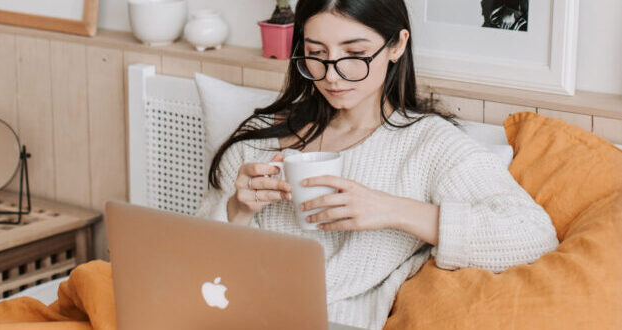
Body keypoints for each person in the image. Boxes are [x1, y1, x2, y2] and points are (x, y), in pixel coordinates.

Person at [195, 0, 558, 328]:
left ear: (397, 45)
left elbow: (532, 234)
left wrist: (390, 210)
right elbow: (193, 263)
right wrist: (236, 211)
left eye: (355, 54)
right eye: (316, 53)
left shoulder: (428, 145)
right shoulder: (259, 140)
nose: (332, 75)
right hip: (229, 316)